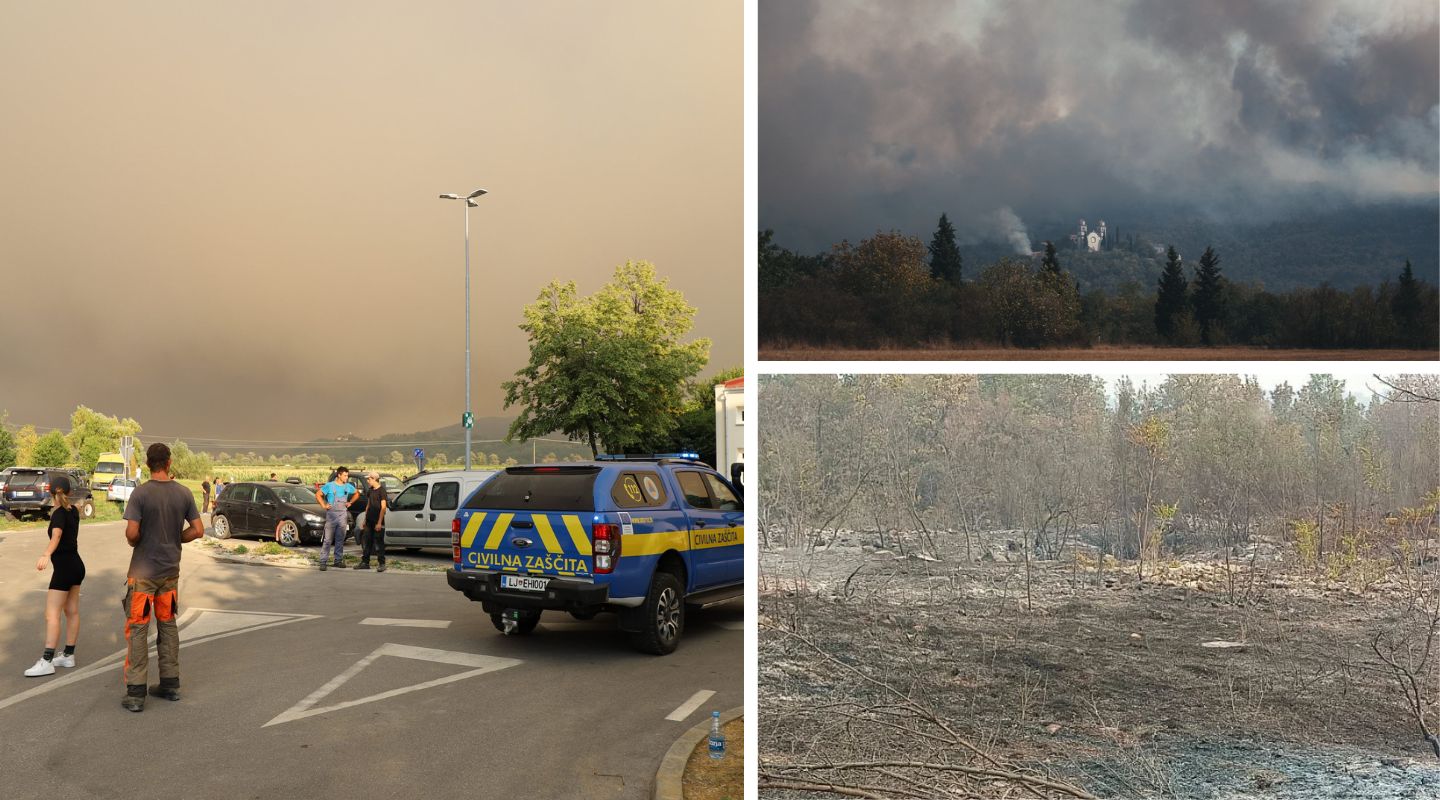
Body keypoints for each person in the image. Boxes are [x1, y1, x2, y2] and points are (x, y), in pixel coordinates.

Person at [120, 443, 204, 712]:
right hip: (170, 575)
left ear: (148, 464)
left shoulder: (140, 494)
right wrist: (175, 538)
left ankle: (135, 693)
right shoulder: (183, 493)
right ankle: (170, 683)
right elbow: (199, 530)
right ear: (168, 463)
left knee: (138, 629)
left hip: (143, 575)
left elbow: (132, 534)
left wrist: (142, 539)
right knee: (167, 625)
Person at [24, 475, 86, 677]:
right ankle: (68, 655)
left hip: (65, 569)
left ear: (51, 492)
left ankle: (47, 660)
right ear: (68, 491)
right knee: (71, 611)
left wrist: (46, 554)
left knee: (51, 615)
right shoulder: (73, 511)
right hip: (76, 565)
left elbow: (57, 535)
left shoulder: (59, 513)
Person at [314, 466, 357, 571]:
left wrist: (350, 502)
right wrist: (324, 505)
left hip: (343, 515)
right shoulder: (330, 486)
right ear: (339, 475)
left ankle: (338, 560)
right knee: (328, 540)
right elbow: (318, 494)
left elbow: (357, 494)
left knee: (340, 539)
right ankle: (323, 561)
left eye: (347, 475)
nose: (347, 478)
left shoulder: (348, 486)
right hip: (331, 515)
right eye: (345, 475)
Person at [354, 471, 388, 572]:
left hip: (377, 521)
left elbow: (383, 508)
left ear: (374, 479)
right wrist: (365, 519)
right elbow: (368, 505)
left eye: (369, 479)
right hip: (369, 520)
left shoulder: (382, 491)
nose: (368, 481)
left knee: (378, 543)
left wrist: (379, 522)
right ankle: (365, 562)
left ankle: (382, 564)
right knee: (367, 542)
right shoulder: (370, 490)